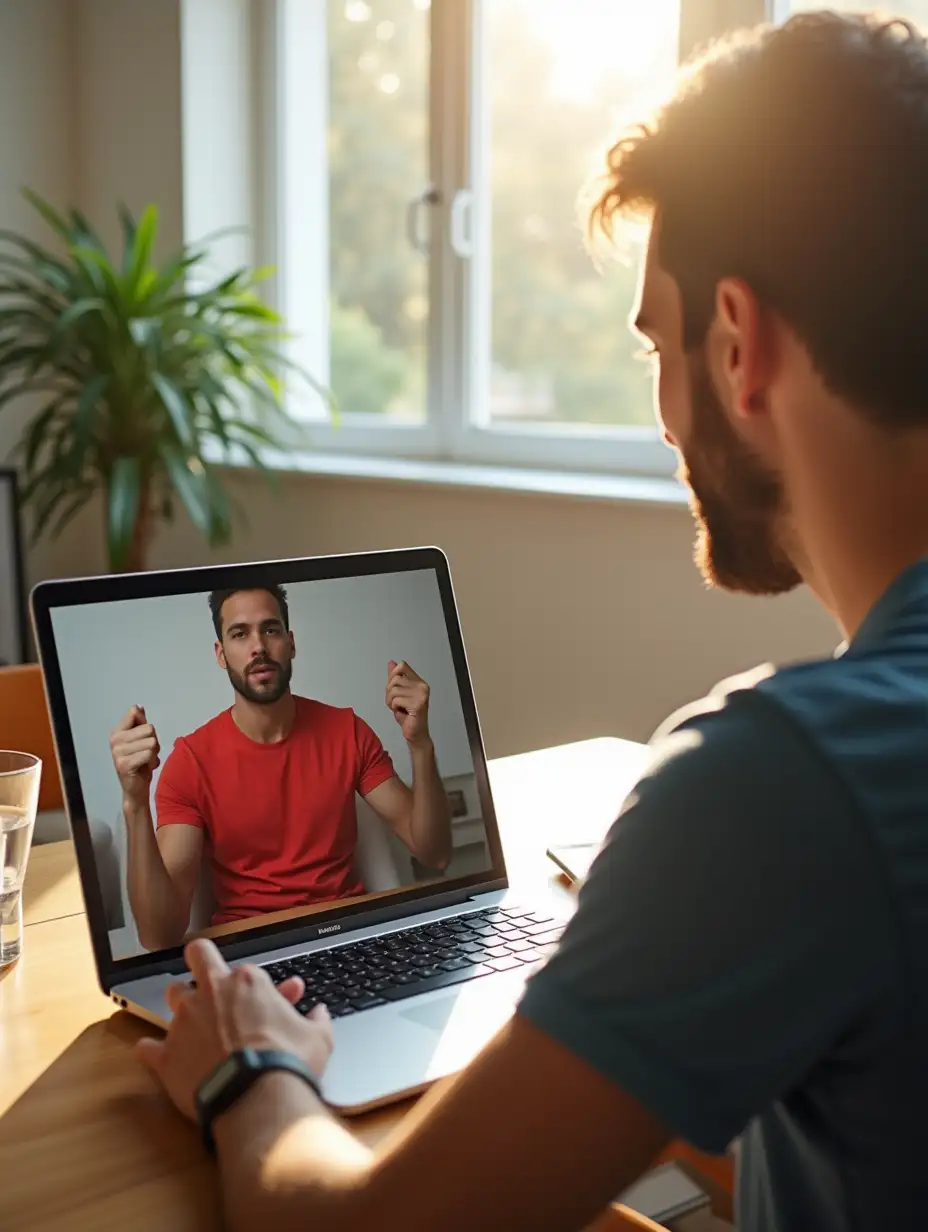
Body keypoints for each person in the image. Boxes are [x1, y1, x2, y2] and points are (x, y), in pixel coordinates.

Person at [132, 11, 928, 1230]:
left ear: (736, 339)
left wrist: (250, 1068)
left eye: (658, 345)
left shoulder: (786, 782)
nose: (664, 417)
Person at [109, 585, 452, 949]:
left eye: (270, 630)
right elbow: (158, 936)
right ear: (221, 654)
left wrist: (420, 743)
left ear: (290, 644)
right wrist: (134, 801)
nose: (258, 646)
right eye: (239, 634)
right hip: (252, 953)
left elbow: (435, 852)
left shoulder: (347, 731)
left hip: (349, 938)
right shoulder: (190, 762)